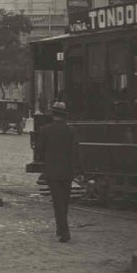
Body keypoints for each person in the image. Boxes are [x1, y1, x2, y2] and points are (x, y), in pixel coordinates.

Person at [38, 101, 81, 243]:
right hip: (67, 171)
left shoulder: (45, 130)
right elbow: (75, 151)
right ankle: (60, 229)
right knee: (64, 201)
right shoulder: (71, 131)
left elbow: (40, 150)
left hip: (52, 171)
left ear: (53, 115)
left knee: (57, 203)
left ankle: (64, 232)